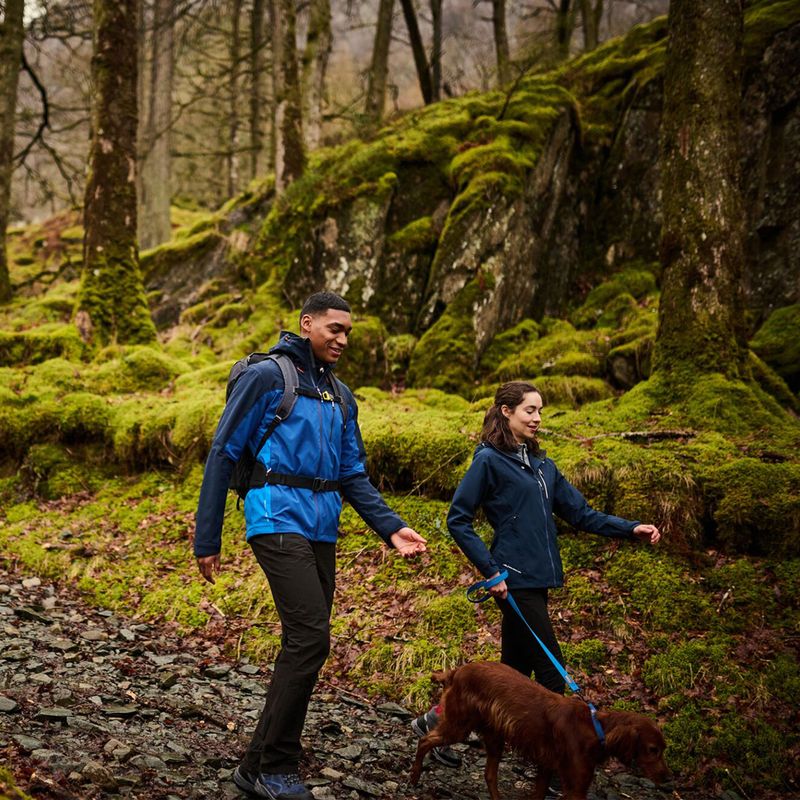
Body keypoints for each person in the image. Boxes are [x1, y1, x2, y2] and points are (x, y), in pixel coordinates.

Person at [195, 292, 427, 800]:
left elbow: (352, 474)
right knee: (310, 638)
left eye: (348, 332)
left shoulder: (342, 396)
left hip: (321, 528)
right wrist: (207, 537)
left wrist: (391, 527)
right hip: (274, 517)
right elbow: (222, 452)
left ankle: (254, 764)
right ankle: (277, 766)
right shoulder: (267, 377)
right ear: (307, 324)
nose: (342, 339)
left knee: (304, 643)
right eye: (334, 329)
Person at [412, 381, 660, 772]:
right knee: (550, 675)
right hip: (512, 580)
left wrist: (630, 528)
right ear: (506, 411)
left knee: (512, 674)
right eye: (530, 410)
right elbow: (458, 519)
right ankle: (557, 764)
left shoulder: (544, 466)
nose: (538, 418)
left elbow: (581, 515)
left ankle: (435, 721)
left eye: (541, 411)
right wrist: (491, 572)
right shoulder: (489, 461)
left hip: (539, 580)